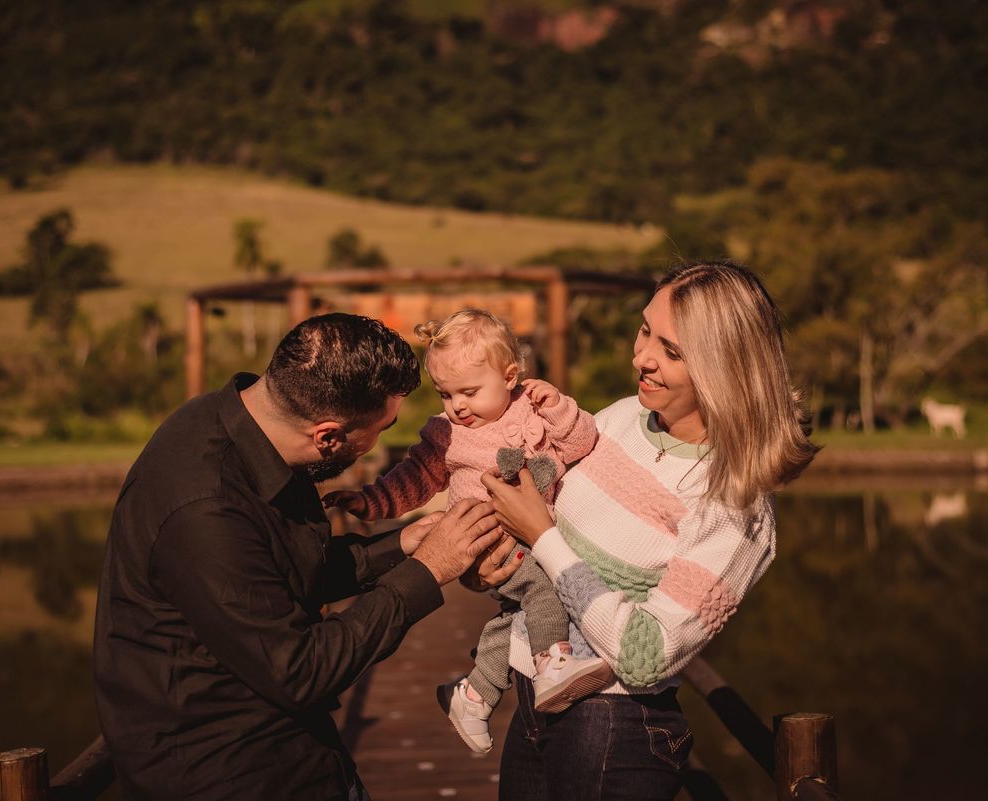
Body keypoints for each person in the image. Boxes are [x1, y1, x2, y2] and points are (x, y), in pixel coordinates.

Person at [93, 313, 502, 801]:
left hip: (296, 751)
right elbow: (299, 670)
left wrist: (401, 545)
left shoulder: (242, 424)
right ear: (328, 437)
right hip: (230, 772)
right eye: (383, 427)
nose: (386, 437)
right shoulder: (206, 510)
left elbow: (281, 573)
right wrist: (428, 571)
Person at [476, 261, 820, 801]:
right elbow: (539, 539)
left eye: (672, 351)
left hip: (610, 726)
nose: (641, 357)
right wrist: (497, 563)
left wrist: (541, 534)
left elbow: (645, 656)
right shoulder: (617, 419)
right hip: (531, 697)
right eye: (644, 331)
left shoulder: (736, 505)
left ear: (726, 368)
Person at [323, 308, 609, 755]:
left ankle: (473, 695)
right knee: (548, 585)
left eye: (469, 392)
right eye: (445, 394)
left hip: (529, 534)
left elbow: (580, 445)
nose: (457, 405)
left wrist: (559, 406)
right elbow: (413, 479)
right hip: (483, 538)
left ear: (510, 376)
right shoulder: (447, 434)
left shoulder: (537, 411)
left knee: (516, 616)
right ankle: (553, 660)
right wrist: (370, 502)